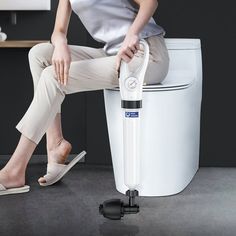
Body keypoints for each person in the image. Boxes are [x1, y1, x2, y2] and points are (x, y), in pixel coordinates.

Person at [0, 0, 169, 196]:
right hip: (112, 54)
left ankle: (14, 170)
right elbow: (59, 31)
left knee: (52, 76)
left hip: (146, 54)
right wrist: (61, 43)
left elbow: (150, 2)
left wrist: (133, 34)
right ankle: (55, 145)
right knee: (39, 54)